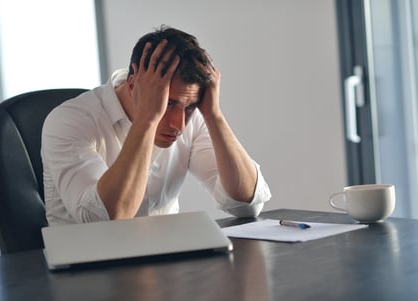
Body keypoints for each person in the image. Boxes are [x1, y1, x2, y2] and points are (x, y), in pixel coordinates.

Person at [41, 25, 271, 225]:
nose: (178, 125)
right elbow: (106, 221)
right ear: (133, 86)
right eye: (169, 103)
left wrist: (213, 115)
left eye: (190, 106)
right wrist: (147, 119)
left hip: (166, 264)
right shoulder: (68, 121)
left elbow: (247, 205)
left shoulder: (190, 117)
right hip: (88, 270)